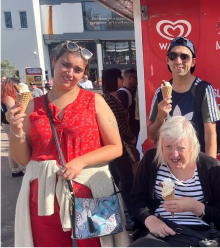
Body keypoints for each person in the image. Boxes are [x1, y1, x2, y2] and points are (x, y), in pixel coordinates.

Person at [5, 40, 129, 247]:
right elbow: (22, 159)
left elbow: (116, 147)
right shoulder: (33, 106)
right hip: (44, 196)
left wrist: (80, 161)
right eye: (66, 64)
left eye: (78, 69)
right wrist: (15, 129)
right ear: (54, 61)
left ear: (84, 74)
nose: (70, 72)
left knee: (95, 245)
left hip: (89, 193)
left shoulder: (94, 101)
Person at [129, 116, 220, 247]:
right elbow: (137, 200)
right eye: (168, 147)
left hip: (197, 234)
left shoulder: (211, 167)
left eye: (180, 148)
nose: (174, 154)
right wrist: (149, 219)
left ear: (192, 145)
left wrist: (195, 206)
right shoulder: (151, 160)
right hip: (158, 231)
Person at [148, 36, 220, 158]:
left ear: (193, 62)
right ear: (168, 60)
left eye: (184, 57)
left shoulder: (203, 90)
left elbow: (210, 134)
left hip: (195, 165)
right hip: (168, 165)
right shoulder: (160, 92)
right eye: (173, 56)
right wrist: (160, 117)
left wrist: (210, 170)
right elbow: (152, 136)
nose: (178, 61)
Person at [102, 68, 137, 212]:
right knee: (126, 177)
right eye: (120, 77)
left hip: (115, 143)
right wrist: (131, 137)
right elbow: (117, 123)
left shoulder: (110, 97)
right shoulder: (108, 99)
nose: (122, 80)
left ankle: (123, 207)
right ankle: (129, 209)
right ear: (114, 79)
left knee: (118, 175)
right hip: (117, 144)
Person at [1, 77, 25, 177]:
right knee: (15, 145)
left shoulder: (4, 96)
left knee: (12, 145)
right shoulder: (9, 98)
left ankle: (15, 169)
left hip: (5, 123)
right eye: (15, 85)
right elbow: (13, 112)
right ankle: (18, 168)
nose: (17, 87)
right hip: (10, 124)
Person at [117, 68, 139, 139]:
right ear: (130, 78)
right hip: (130, 133)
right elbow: (124, 115)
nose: (138, 80)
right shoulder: (123, 93)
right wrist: (129, 135)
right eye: (136, 78)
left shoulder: (130, 92)